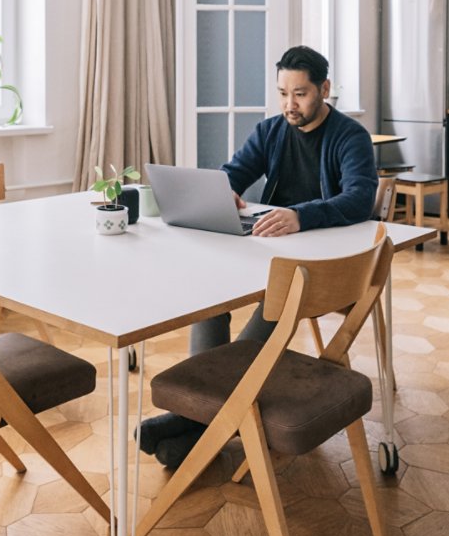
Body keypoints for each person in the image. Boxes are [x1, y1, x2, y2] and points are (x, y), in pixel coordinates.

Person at [137, 45, 378, 466]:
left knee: (272, 303)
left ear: (324, 88)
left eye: (300, 94)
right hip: (268, 251)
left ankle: (188, 420)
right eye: (283, 93)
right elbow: (235, 172)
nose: (290, 104)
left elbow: (359, 199)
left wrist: (300, 216)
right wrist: (223, 190)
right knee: (209, 297)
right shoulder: (270, 131)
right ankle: (201, 417)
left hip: (322, 266)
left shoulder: (350, 136)